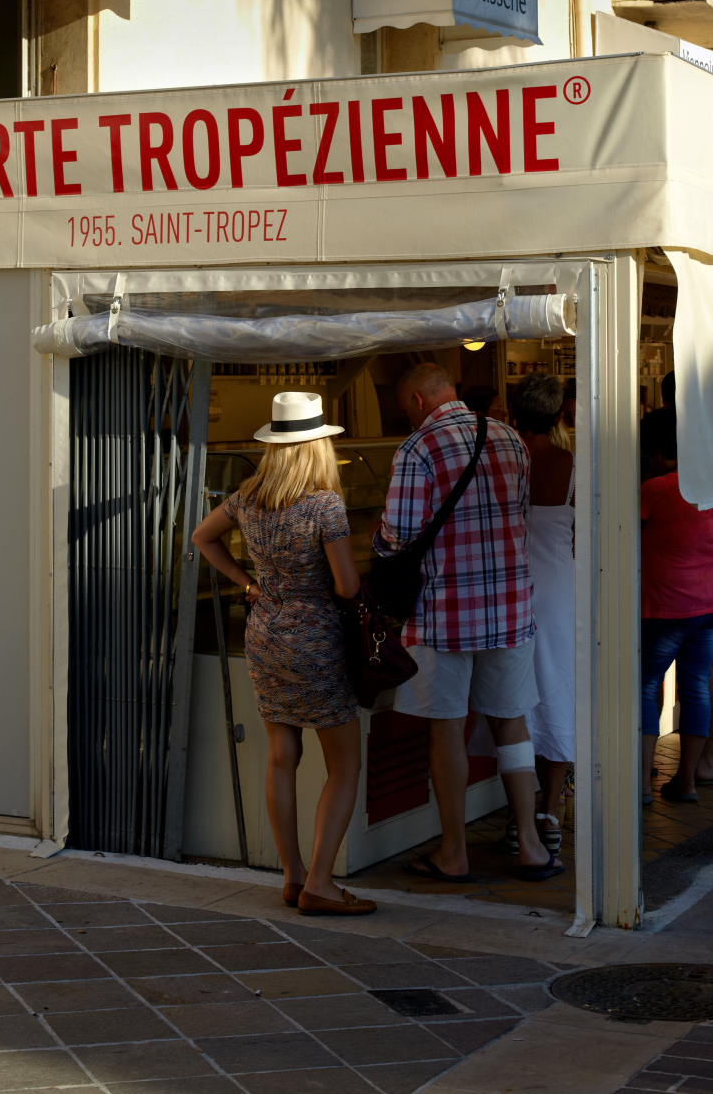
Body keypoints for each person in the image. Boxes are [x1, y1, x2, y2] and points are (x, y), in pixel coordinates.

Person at [192, 391, 375, 917]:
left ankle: (293, 877)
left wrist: (248, 583)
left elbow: (203, 536)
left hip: (265, 633)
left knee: (281, 757)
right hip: (316, 639)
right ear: (318, 446)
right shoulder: (324, 504)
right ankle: (320, 883)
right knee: (344, 764)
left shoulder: (248, 496)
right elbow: (346, 586)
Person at [376, 363, 562, 882]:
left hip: (445, 614)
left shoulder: (417, 448)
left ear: (417, 401)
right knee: (512, 722)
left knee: (447, 728)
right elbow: (519, 515)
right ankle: (530, 846)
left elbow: (398, 534)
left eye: (405, 409)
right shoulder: (509, 438)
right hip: (509, 607)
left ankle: (453, 853)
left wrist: (377, 539)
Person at [640, 406, 713, 803]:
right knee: (697, 686)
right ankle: (687, 781)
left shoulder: (654, 490)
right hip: (712, 604)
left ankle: (642, 785)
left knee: (646, 686)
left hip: (665, 607)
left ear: (656, 450)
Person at [508, 373, 574, 855]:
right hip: (560, 593)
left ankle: (520, 817)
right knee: (558, 694)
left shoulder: (506, 463)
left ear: (515, 415)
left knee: (513, 703)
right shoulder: (572, 465)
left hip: (511, 592)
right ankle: (550, 810)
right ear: (557, 416)